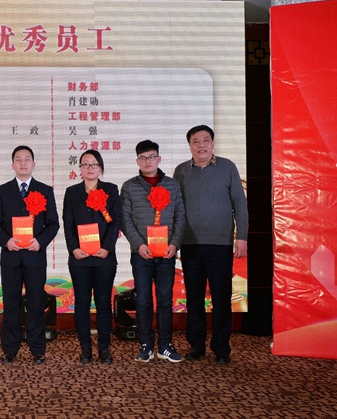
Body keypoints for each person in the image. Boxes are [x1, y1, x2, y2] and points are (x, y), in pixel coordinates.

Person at [173, 125, 248, 365]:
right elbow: (176, 209)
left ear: (213, 144)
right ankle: (196, 346)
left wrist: (242, 237)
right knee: (194, 297)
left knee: (221, 297)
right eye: (196, 141)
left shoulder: (227, 167)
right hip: (191, 244)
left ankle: (221, 348)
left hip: (221, 244)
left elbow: (240, 204)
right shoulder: (181, 171)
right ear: (190, 145)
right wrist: (175, 240)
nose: (201, 145)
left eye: (206, 140)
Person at [0, 146, 60, 365]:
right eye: (18, 159)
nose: (23, 163)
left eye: (27, 159)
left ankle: (37, 349)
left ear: (33, 164)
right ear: (12, 165)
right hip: (10, 256)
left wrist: (40, 241)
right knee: (10, 303)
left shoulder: (44, 190)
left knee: (36, 303)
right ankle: (9, 349)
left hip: (34, 256)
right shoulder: (2, 191)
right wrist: (6, 241)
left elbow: (53, 224)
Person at [121, 140, 186, 363]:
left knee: (165, 299)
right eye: (143, 158)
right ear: (137, 161)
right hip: (141, 254)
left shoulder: (172, 185)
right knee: (143, 300)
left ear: (159, 159)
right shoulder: (129, 186)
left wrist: (174, 244)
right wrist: (139, 244)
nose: (147, 161)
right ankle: (146, 345)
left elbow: (180, 216)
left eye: (151, 157)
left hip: (166, 253)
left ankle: (165, 345)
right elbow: (125, 219)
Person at [63, 149, 119, 364]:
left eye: (94, 164)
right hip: (80, 259)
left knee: (104, 302)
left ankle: (104, 348)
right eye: (85, 164)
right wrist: (74, 248)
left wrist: (107, 248)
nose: (90, 168)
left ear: (101, 168)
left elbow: (115, 222)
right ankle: (85, 348)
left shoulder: (110, 190)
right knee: (82, 303)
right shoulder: (72, 192)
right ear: (80, 169)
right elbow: (68, 224)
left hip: (104, 258)